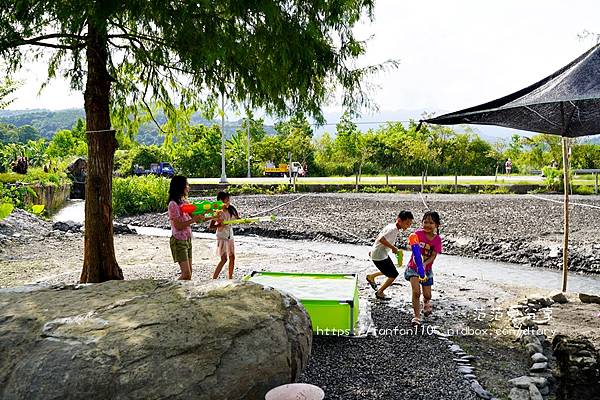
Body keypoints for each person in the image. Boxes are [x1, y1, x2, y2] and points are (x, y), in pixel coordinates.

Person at [405, 211, 442, 325]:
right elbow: (408, 245)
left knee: (427, 295)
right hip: (413, 268)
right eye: (425, 222)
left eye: (431, 223)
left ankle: (426, 302)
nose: (427, 225)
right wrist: (411, 248)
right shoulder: (417, 234)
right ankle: (416, 316)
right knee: (416, 292)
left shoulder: (437, 239)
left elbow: (433, 256)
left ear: (436, 225)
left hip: (427, 270)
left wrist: (425, 264)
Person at [366, 211, 414, 300]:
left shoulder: (391, 226)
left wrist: (373, 249)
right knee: (393, 275)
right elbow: (381, 239)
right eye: (407, 223)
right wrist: (393, 248)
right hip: (379, 256)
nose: (408, 226)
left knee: (391, 271)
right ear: (399, 220)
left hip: (380, 254)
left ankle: (371, 276)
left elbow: (379, 237)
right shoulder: (393, 229)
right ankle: (380, 292)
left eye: (410, 224)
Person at [167, 175, 206, 280]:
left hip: (187, 240)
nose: (188, 187)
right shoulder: (173, 204)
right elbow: (178, 226)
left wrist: (212, 215)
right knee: (186, 275)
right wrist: (194, 219)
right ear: (180, 187)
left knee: (189, 274)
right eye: (187, 185)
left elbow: (198, 219)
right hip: (178, 241)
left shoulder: (184, 202)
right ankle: (170, 290)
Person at [210, 191, 240, 279]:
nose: (228, 203)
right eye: (226, 201)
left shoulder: (231, 209)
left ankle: (230, 277)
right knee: (224, 259)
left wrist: (244, 219)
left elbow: (237, 218)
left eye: (228, 200)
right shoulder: (217, 212)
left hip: (230, 235)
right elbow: (211, 227)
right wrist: (220, 225)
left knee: (232, 257)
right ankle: (214, 278)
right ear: (220, 201)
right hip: (222, 237)